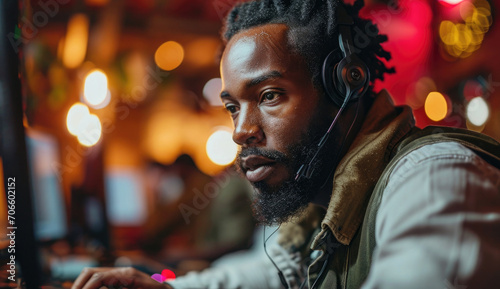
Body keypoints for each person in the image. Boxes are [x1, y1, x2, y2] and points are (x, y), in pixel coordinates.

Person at [72, 0, 500, 288]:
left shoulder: (433, 178)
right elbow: (270, 273)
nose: (241, 131)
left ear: (344, 85)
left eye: (269, 96)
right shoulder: (321, 201)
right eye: (233, 108)